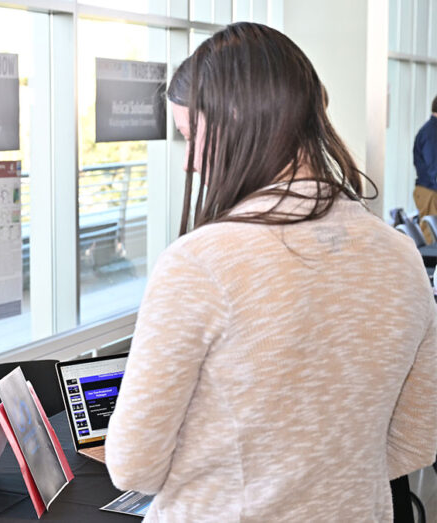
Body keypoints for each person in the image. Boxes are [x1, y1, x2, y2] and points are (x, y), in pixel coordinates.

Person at [105, 22, 437, 521]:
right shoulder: (398, 253)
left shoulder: (202, 262)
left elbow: (134, 467)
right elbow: (416, 440)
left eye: (191, 136)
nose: (190, 164)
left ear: (237, 118)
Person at [413, 94, 437, 241]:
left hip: (430, 190)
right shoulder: (431, 133)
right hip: (430, 192)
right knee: (431, 240)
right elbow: (433, 167)